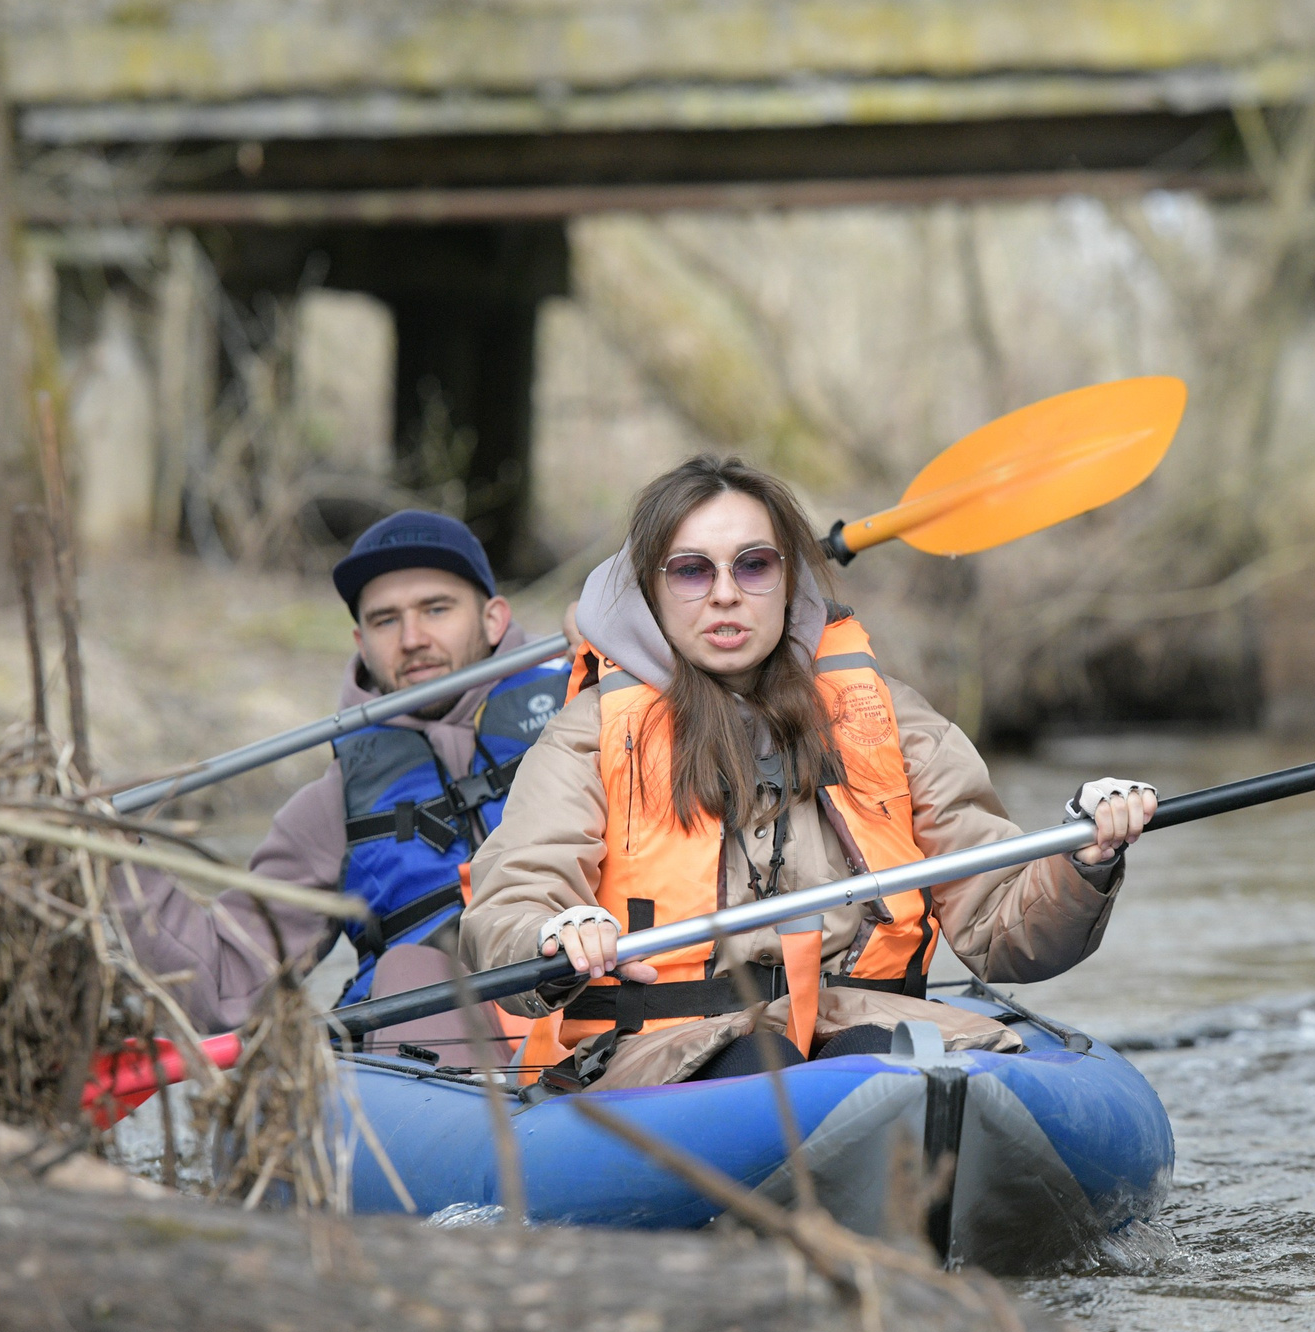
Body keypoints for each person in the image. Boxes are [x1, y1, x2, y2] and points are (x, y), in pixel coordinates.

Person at [462, 455, 1155, 1090]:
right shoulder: (586, 737)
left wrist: (1083, 858)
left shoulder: (891, 719)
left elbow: (1004, 930)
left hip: (863, 1030)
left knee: (884, 1071)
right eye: (692, 570)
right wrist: (554, 935)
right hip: (665, 1053)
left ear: (788, 578)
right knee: (768, 1064)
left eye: (754, 565)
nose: (726, 594)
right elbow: (510, 909)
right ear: (652, 588)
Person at [116, 510, 568, 1044]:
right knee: (412, 969)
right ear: (361, 641)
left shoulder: (588, 709)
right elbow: (222, 987)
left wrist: (620, 633)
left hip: (588, 1001)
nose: (412, 638)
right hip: (436, 1057)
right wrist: (122, 857)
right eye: (385, 620)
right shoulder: (333, 804)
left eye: (436, 609)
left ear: (494, 619)